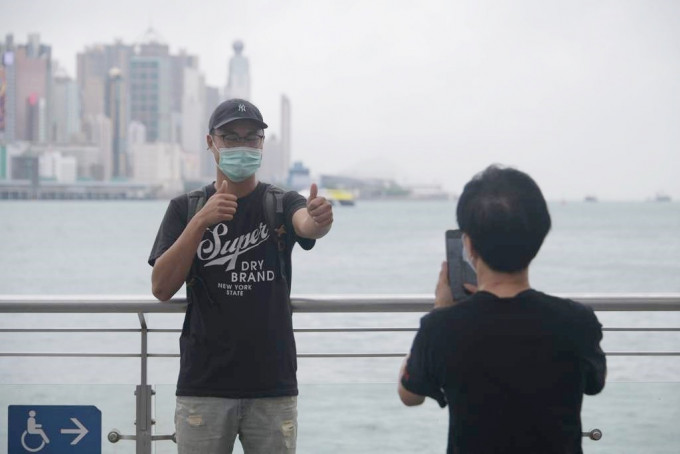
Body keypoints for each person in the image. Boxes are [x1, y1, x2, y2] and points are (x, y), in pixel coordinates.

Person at [148, 98, 333, 454]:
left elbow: (306, 225)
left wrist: (320, 218)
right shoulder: (184, 208)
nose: (241, 147)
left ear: (262, 145)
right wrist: (201, 220)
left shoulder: (279, 202)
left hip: (273, 385)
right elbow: (161, 287)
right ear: (210, 143)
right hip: (204, 385)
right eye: (230, 138)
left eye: (251, 138)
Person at [398, 165, 606, 454]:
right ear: (540, 237)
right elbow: (595, 384)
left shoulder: (442, 328)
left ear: (468, 244)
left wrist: (440, 309)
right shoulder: (577, 321)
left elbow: (409, 395)